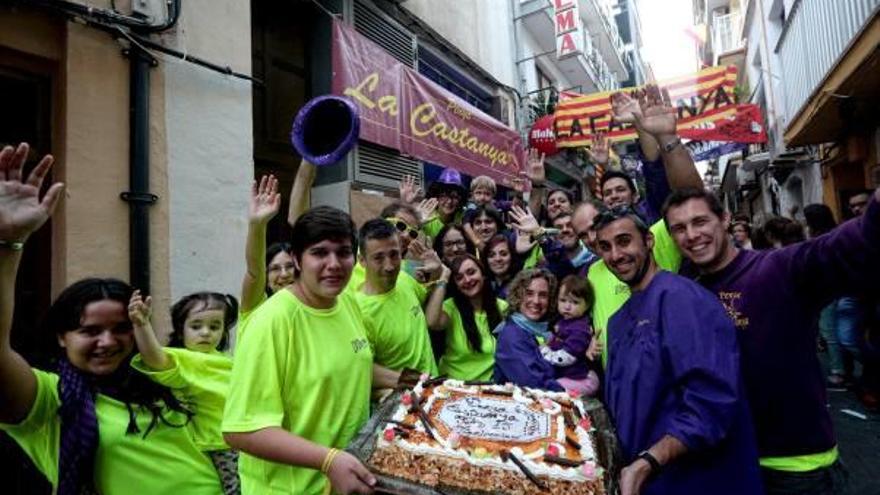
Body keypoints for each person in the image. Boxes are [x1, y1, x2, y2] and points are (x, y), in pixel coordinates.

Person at [0, 143, 224, 494]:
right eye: (89, 331)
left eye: (122, 328)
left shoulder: (165, 380)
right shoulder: (50, 398)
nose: (108, 342)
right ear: (62, 337)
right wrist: (7, 245)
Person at [663, 187, 880, 494]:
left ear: (724, 219)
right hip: (729, 464)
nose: (692, 234)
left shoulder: (778, 268)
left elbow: (849, 244)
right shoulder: (688, 291)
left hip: (796, 467)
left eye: (700, 221)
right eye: (679, 228)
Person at [594, 206, 762, 495]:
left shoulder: (683, 299)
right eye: (605, 247)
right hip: (643, 480)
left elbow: (712, 401)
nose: (616, 255)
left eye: (624, 241)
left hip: (698, 479)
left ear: (648, 241)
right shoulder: (617, 320)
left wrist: (648, 461)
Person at [223, 206, 381, 495]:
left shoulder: (347, 302)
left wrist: (408, 381)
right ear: (296, 259)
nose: (334, 263)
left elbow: (349, 365)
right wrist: (328, 460)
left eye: (343, 252)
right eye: (319, 253)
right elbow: (241, 430)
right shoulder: (272, 321)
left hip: (347, 481)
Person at [128, 291, 241, 495]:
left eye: (214, 326)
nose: (206, 332)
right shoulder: (182, 358)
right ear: (181, 331)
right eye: (196, 326)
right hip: (220, 443)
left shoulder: (225, 359)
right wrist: (142, 325)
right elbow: (155, 360)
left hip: (247, 435)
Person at [352, 218, 438, 377]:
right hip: (403, 399)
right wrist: (411, 384)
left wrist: (437, 274)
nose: (389, 266)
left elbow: (429, 301)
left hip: (435, 393)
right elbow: (363, 369)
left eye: (394, 254)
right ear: (362, 261)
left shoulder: (405, 279)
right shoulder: (358, 311)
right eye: (378, 258)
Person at [425, 254, 505, 381]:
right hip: (453, 388)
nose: (467, 280)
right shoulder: (451, 308)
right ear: (455, 284)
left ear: (483, 274)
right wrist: (444, 276)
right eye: (459, 278)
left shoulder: (502, 307)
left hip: (490, 388)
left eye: (471, 272)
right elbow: (431, 322)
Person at [493, 269, 565, 391]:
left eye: (543, 295)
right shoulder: (512, 335)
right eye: (529, 293)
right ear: (518, 296)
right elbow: (533, 383)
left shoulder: (542, 331)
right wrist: (568, 390)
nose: (536, 301)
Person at [804, 204, 849, 388]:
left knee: (830, 331)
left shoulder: (820, 239)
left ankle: (839, 371)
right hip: (840, 287)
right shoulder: (835, 233)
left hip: (828, 288)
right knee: (839, 332)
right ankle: (844, 368)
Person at [540, 275, 601, 397]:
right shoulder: (564, 321)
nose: (567, 306)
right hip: (571, 377)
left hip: (582, 380)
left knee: (551, 388)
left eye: (575, 302)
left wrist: (545, 352)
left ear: (587, 305)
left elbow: (567, 357)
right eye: (563, 300)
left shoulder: (580, 329)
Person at [423, 168, 466, 240]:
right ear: (436, 197)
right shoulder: (426, 217)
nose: (449, 201)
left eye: (454, 197)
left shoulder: (463, 217)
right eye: (444, 196)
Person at [481, 234, 521, 299]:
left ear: (512, 256)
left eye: (504, 254)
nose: (498, 259)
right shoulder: (482, 286)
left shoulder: (521, 283)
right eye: (491, 255)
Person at [463, 175, 497, 249]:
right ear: (472, 195)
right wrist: (477, 242)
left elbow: (513, 205)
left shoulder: (493, 207)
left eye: (487, 194)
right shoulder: (472, 208)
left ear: (493, 196)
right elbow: (466, 226)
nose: (482, 198)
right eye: (478, 193)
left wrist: (518, 194)